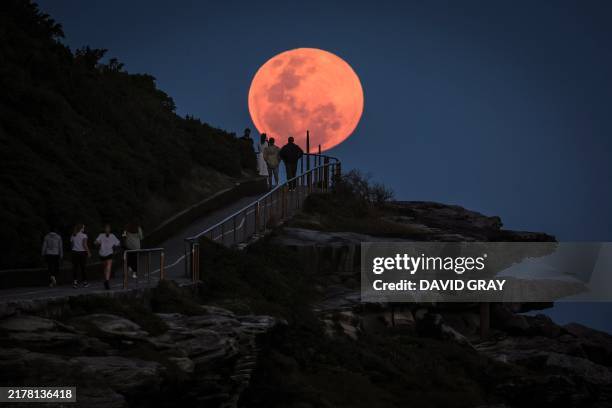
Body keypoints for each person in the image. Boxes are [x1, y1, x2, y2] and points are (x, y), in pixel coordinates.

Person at [95, 224, 120, 290]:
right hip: (102, 254)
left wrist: (115, 247)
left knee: (109, 266)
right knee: (105, 267)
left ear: (110, 230)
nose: (107, 230)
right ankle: (106, 279)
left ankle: (107, 281)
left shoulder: (112, 236)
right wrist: (97, 243)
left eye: (108, 229)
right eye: (106, 229)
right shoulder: (101, 235)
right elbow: (96, 242)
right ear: (104, 229)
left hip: (109, 253)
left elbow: (118, 243)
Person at [70, 224, 90, 288]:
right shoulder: (84, 236)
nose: (84, 229)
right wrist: (88, 252)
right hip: (82, 253)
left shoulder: (73, 235)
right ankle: (85, 283)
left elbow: (72, 246)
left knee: (75, 268)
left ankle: (75, 283)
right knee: (83, 268)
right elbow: (84, 245)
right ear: (81, 228)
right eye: (83, 228)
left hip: (74, 253)